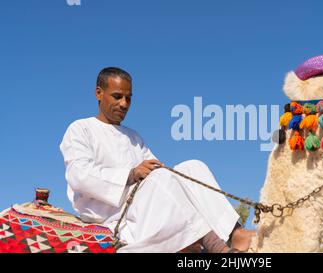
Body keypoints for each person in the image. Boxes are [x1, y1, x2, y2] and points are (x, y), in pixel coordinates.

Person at [59, 67, 254, 253]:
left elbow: (157, 170)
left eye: (129, 98)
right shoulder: (81, 129)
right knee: (160, 178)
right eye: (117, 96)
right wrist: (131, 174)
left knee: (193, 166)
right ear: (98, 93)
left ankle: (234, 233)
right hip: (113, 216)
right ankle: (218, 248)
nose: (124, 104)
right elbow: (79, 175)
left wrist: (156, 171)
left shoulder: (133, 136)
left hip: (145, 205)